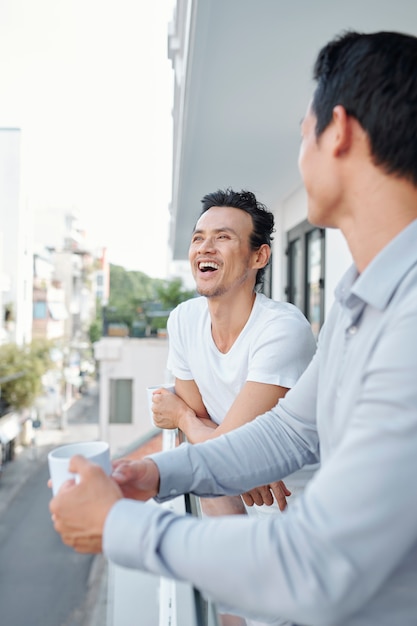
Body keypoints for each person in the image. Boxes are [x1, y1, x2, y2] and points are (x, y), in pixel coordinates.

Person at [50, 30, 417, 625]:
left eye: (304, 132)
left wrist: (119, 524)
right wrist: (154, 473)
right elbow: (292, 433)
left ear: (340, 131)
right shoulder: (358, 296)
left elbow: (316, 562)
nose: (300, 150)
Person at [151, 188, 317, 522]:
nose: (204, 248)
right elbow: (220, 457)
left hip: (300, 516)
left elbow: (219, 453)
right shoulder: (184, 320)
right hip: (229, 511)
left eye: (223, 237)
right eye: (198, 238)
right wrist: (237, 464)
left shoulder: (282, 329)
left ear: (259, 257)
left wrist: (181, 417)